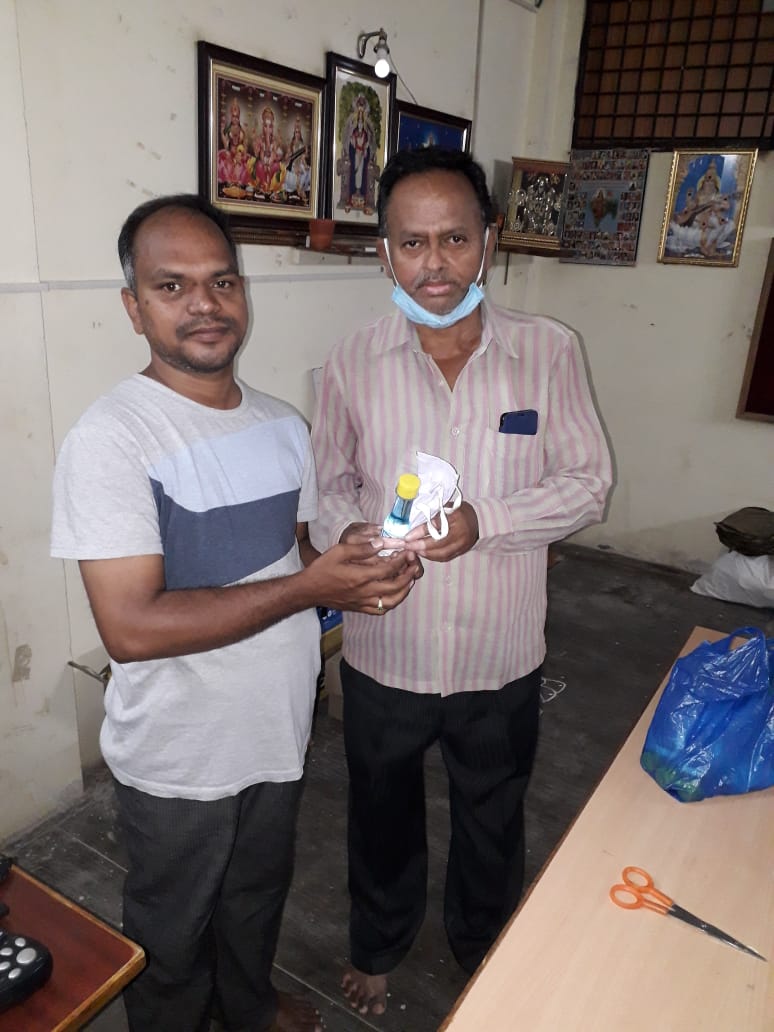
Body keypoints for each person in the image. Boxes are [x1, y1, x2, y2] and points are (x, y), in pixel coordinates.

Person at [50, 194, 420, 1032]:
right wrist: (312, 589)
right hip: (180, 753)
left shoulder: (283, 426)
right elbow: (131, 630)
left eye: (222, 281)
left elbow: (296, 557)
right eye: (172, 286)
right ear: (133, 307)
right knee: (172, 931)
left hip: (275, 727)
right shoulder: (113, 439)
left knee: (256, 894)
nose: (205, 304)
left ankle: (248, 1006)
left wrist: (360, 560)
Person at [310, 148, 612, 1016]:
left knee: (493, 813)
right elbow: (326, 486)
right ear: (384, 254)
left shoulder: (548, 352)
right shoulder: (351, 360)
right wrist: (349, 537)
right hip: (385, 646)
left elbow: (588, 483)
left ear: (489, 240)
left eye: (454, 238)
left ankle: (484, 948)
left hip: (498, 652)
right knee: (380, 812)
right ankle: (379, 944)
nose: (434, 263)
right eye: (412, 243)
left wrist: (489, 520)